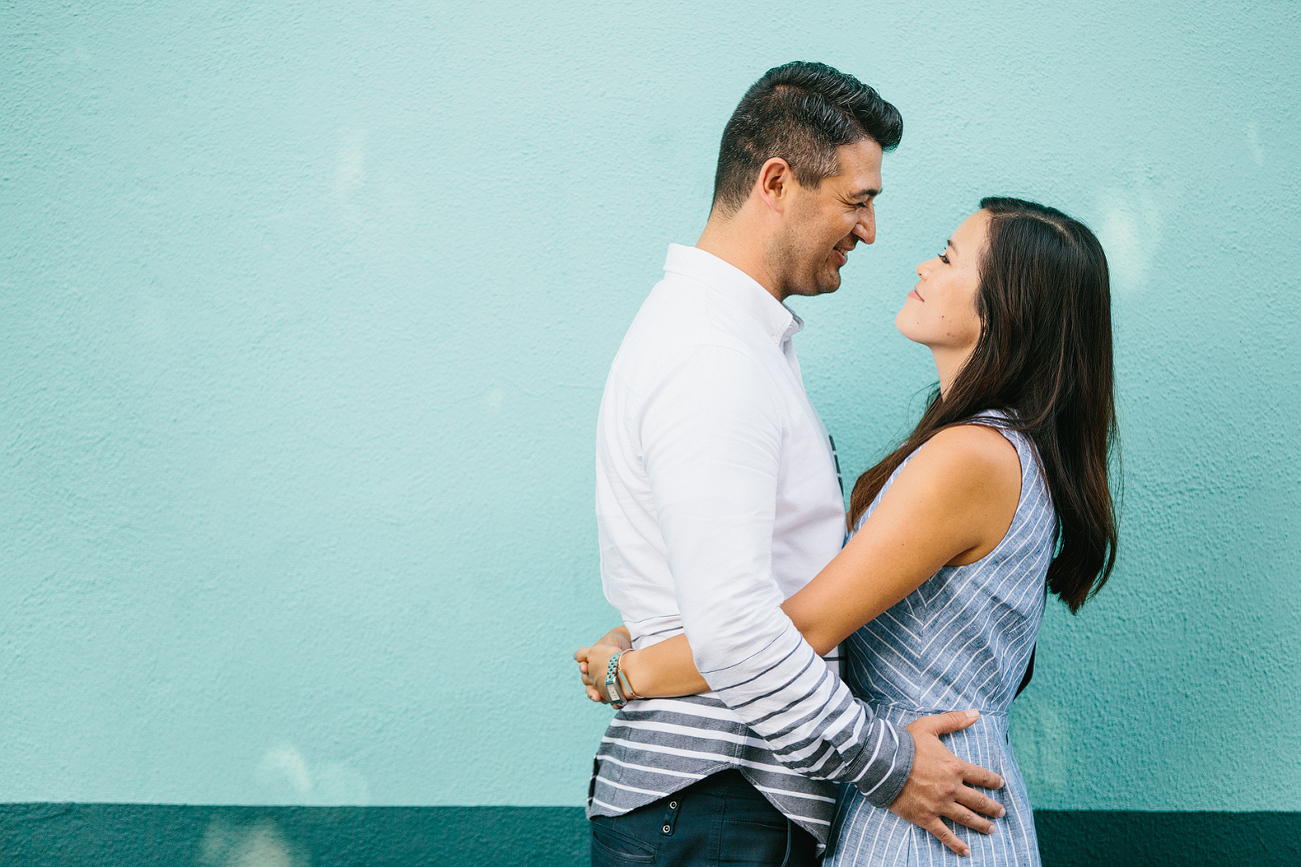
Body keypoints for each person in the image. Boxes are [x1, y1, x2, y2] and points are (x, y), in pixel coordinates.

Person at [578, 197, 1118, 865]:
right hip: (926, 790)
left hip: (928, 805)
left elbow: (801, 630)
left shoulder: (970, 457)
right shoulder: (994, 450)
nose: (923, 263)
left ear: (1007, 307)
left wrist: (629, 670)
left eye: (949, 256)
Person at [579, 61, 1007, 867]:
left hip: (721, 802)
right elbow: (736, 630)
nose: (871, 231)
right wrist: (891, 765)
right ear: (776, 182)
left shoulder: (733, 342)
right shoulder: (713, 354)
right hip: (716, 798)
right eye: (858, 200)